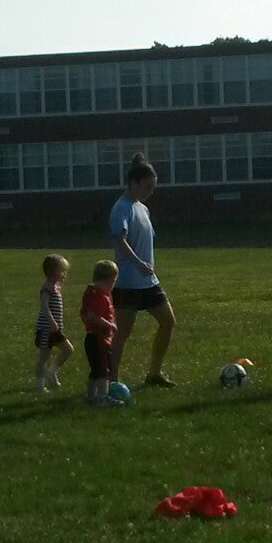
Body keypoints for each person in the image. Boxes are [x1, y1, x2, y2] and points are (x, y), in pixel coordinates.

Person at [109, 152, 176, 387]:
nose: (151, 192)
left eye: (153, 187)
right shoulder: (121, 207)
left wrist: (147, 269)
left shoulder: (142, 208)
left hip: (149, 281)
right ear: (134, 183)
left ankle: (154, 375)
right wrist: (139, 264)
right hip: (127, 283)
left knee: (168, 322)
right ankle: (112, 382)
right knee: (122, 334)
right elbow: (120, 241)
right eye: (147, 186)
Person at [80, 259, 119, 405]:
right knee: (104, 370)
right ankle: (103, 397)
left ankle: (90, 396)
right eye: (114, 281)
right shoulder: (100, 297)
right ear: (109, 280)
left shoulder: (91, 293)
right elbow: (92, 316)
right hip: (99, 339)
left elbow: (85, 314)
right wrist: (110, 325)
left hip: (90, 337)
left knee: (95, 370)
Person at [34, 254, 74, 392]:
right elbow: (44, 307)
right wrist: (51, 322)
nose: (65, 274)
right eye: (62, 271)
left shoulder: (57, 287)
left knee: (68, 350)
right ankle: (40, 384)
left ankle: (51, 372)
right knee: (43, 356)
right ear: (52, 272)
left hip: (55, 329)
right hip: (46, 328)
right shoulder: (47, 288)